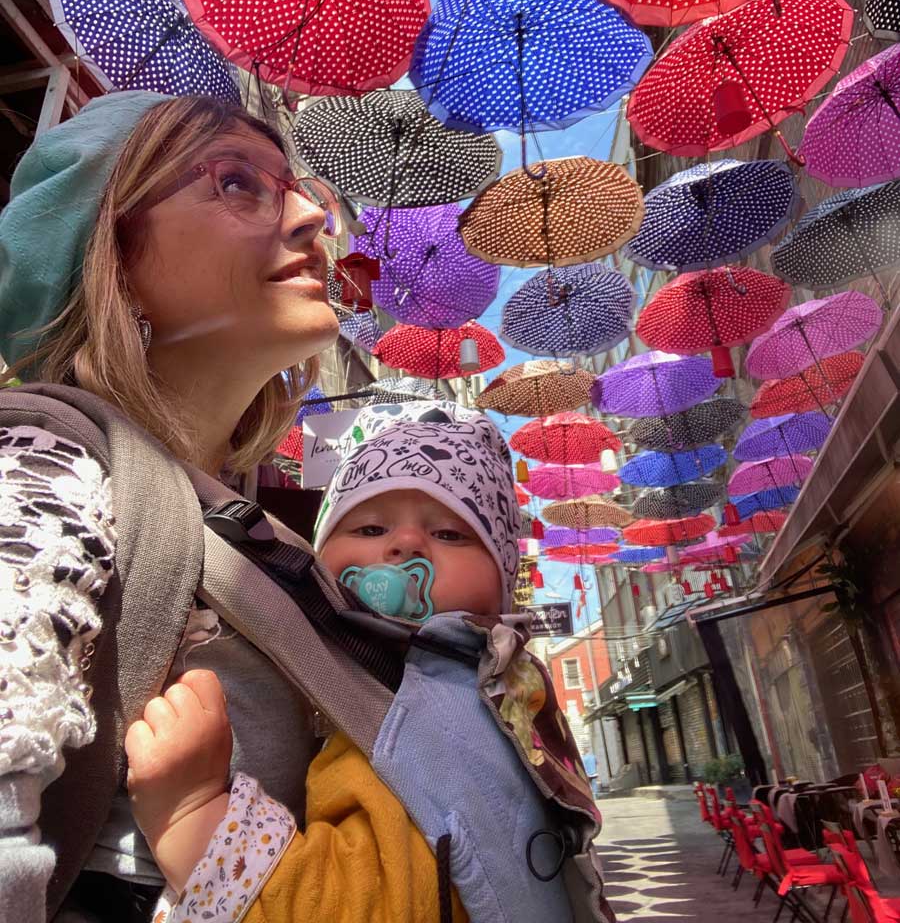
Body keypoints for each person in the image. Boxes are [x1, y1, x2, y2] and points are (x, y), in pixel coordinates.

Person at [0, 91, 378, 923]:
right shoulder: (45, 465)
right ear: (114, 254)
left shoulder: (254, 532)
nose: (316, 216)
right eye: (240, 182)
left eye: (302, 186)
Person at [125, 404, 605, 923]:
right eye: (371, 527)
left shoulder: (422, 724)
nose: (405, 543)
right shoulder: (476, 690)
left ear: (501, 582)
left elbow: (365, 905)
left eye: (450, 534)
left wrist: (192, 813)